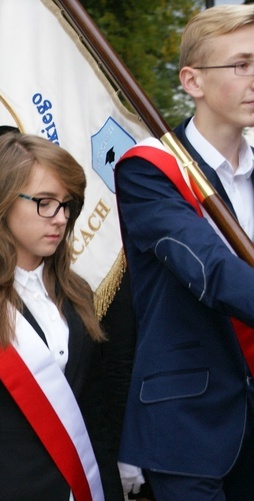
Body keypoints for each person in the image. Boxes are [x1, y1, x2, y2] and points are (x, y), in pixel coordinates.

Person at [0, 133, 122, 500]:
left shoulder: (78, 295)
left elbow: (96, 418)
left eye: (67, 205)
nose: (60, 219)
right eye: (44, 203)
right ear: (2, 202)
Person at [114, 5, 254, 500]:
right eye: (241, 65)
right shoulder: (149, 170)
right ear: (192, 81)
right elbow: (208, 269)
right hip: (188, 422)